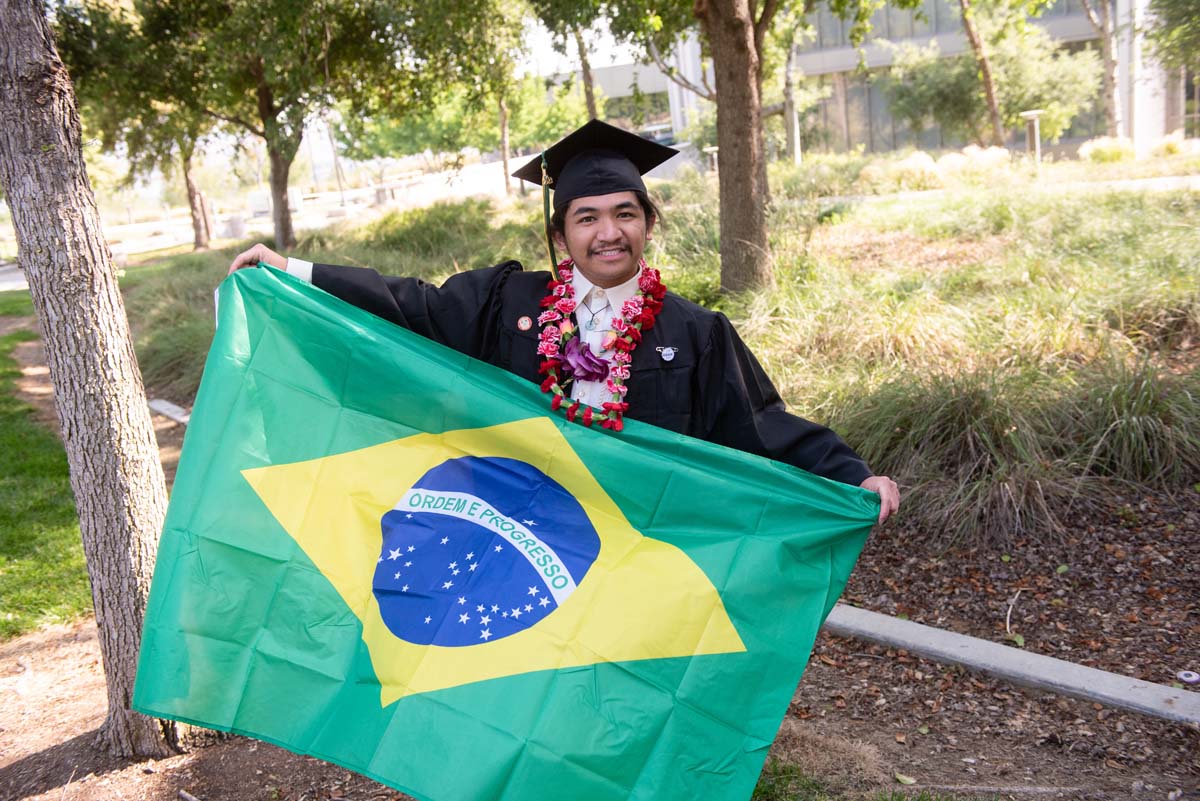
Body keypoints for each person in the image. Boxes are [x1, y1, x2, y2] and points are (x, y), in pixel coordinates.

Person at [228, 120, 900, 523]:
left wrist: (852, 475)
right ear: (561, 233)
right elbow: (413, 306)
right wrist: (295, 275)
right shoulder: (509, 304)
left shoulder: (694, 333)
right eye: (588, 217)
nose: (609, 233)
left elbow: (762, 425)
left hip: (643, 535)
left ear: (648, 222)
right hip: (527, 525)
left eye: (626, 213)